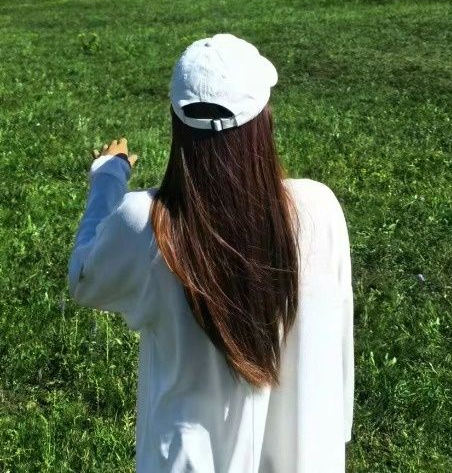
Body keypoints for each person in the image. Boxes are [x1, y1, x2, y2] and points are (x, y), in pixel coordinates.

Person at [67, 33, 354, 472]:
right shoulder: (319, 209)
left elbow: (83, 278)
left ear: (176, 121)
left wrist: (107, 177)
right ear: (264, 120)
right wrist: (336, 431)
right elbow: (338, 337)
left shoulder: (148, 223)